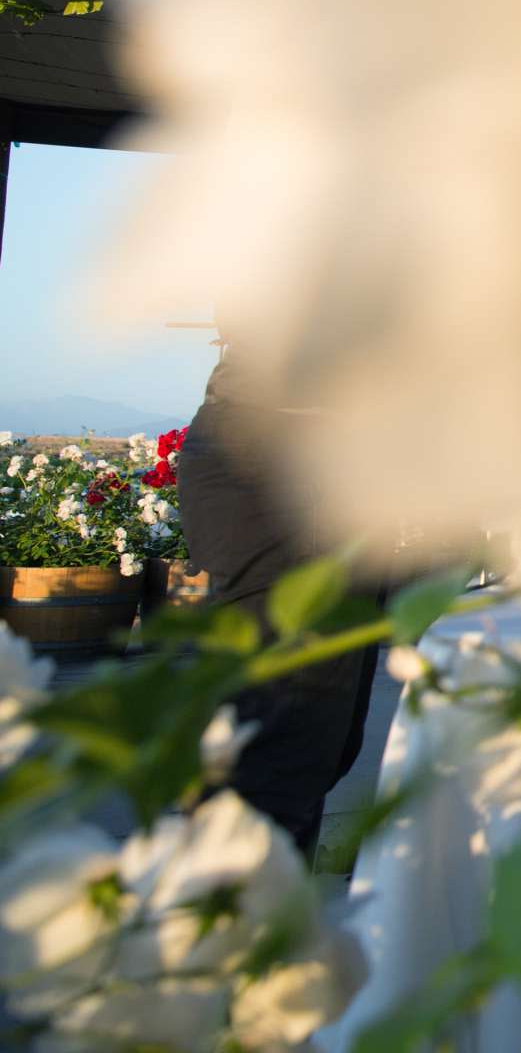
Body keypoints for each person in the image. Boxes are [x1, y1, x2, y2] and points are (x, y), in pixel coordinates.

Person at [178, 348, 389, 860]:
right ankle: (240, 926)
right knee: (282, 747)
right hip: (289, 457)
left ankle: (259, 917)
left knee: (309, 748)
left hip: (301, 452)